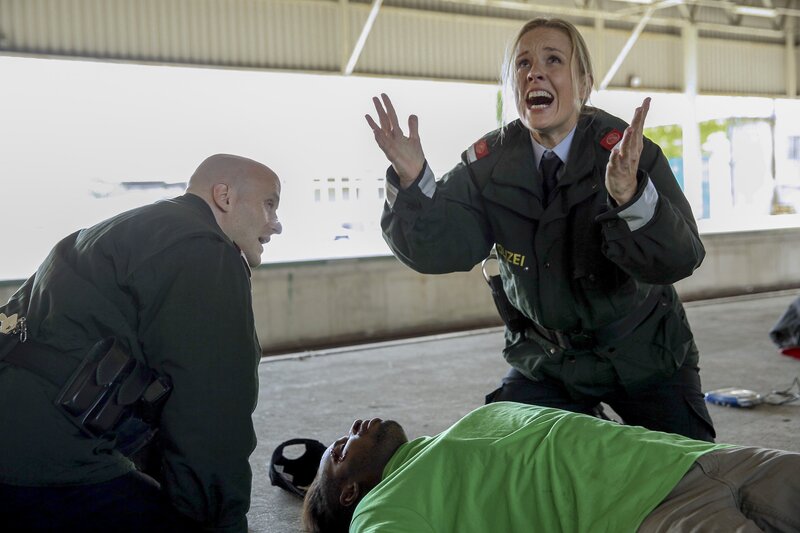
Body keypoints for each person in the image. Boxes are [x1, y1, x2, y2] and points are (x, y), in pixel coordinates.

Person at [366, 17, 714, 441]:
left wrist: (630, 197)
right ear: (513, 86)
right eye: (523, 63)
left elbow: (679, 259)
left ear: (583, 84)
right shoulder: (487, 162)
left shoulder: (626, 153)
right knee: (498, 464)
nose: (535, 72)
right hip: (547, 361)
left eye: (554, 60)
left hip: (644, 353)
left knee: (685, 476)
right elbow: (441, 249)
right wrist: (413, 180)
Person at [0, 154, 282, 532]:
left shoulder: (115, 231)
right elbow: (213, 410)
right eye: (270, 204)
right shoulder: (206, 251)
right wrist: (219, 521)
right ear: (225, 197)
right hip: (43, 461)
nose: (276, 225)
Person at [303, 402, 800, 533]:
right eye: (339, 450)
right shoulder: (381, 510)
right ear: (349, 493)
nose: (352, 426)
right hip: (644, 513)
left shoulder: (454, 434)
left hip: (700, 459)